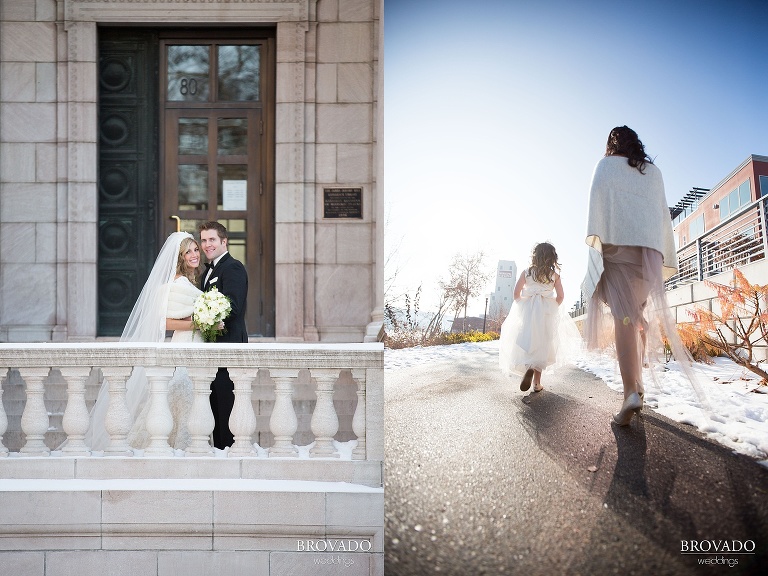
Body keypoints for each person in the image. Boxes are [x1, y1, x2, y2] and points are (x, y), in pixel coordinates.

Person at [582, 126, 700, 426]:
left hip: (617, 254)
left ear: (611, 144)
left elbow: (596, 208)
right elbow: (661, 214)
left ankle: (630, 393)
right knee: (633, 317)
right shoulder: (654, 173)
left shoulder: (605, 166)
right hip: (648, 257)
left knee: (624, 320)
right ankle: (639, 384)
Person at [85, 231, 203, 451]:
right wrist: (200, 323)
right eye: (189, 252)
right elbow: (165, 323)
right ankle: (172, 444)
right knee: (182, 393)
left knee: (188, 396)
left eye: (196, 249)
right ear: (180, 257)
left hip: (194, 345)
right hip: (185, 343)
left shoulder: (188, 281)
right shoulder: (175, 285)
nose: (195, 254)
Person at [499, 242, 581, 392]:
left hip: (528, 311)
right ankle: (537, 383)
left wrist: (524, 305)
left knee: (529, 339)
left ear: (535, 256)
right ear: (552, 258)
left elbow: (516, 294)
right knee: (543, 343)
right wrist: (552, 306)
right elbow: (561, 296)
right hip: (546, 313)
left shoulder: (527, 272)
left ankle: (528, 367)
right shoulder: (554, 275)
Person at [199, 221, 249, 449]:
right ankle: (219, 452)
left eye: (211, 239)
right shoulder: (207, 272)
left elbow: (234, 306)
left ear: (223, 241)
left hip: (228, 349)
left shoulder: (233, 267)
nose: (207, 245)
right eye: (203, 240)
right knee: (215, 409)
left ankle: (228, 454)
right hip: (212, 352)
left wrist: (208, 319)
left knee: (227, 407)